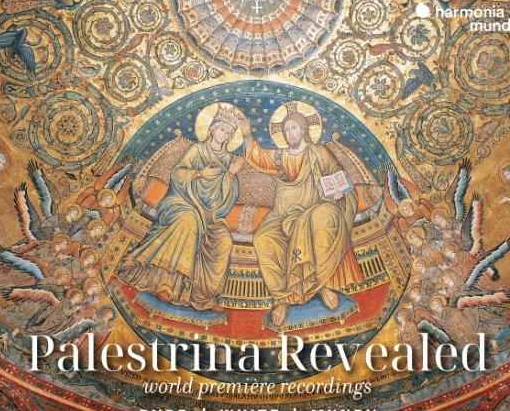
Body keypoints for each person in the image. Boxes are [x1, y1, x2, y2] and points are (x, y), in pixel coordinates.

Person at [239, 102, 362, 327]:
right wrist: (247, 133)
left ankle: (322, 285)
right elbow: (258, 157)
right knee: (263, 238)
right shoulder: (280, 157)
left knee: (322, 218)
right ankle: (282, 298)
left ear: (303, 129)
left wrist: (338, 191)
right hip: (283, 213)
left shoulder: (319, 152)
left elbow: (338, 174)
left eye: (294, 128)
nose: (290, 133)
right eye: (286, 130)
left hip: (317, 206)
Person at [120, 104, 244, 311]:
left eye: (229, 133)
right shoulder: (197, 150)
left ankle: (202, 296)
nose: (224, 134)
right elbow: (177, 174)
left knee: (223, 239)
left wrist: (230, 174)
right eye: (222, 129)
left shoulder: (230, 161)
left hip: (209, 214)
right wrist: (200, 174)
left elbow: (227, 200)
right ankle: (166, 285)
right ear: (212, 129)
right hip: (181, 202)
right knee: (188, 221)